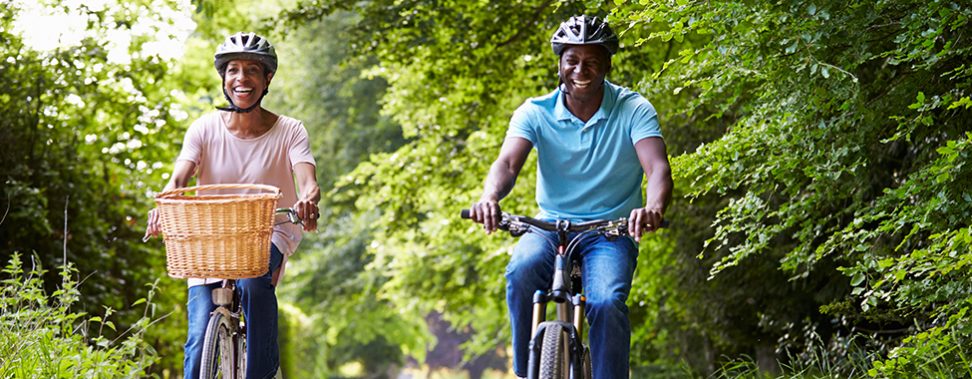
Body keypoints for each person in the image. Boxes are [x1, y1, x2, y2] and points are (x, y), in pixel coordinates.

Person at [467, 15, 673, 379]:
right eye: (572, 60)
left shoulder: (633, 109)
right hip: (549, 227)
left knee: (607, 301)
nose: (581, 68)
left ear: (607, 64)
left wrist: (652, 208)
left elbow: (657, 168)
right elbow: (508, 164)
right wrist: (489, 197)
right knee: (521, 270)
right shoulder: (535, 111)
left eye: (592, 60)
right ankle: (526, 371)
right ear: (560, 64)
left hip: (610, 231)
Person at [144, 32, 320, 379]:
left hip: (268, 231)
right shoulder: (204, 128)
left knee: (255, 284)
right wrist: (165, 203)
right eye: (233, 70)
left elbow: (308, 180)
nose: (242, 79)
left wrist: (308, 199)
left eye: (252, 70)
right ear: (224, 79)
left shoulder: (290, 131)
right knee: (196, 341)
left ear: (267, 79)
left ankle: (261, 373)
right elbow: (178, 179)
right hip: (209, 240)